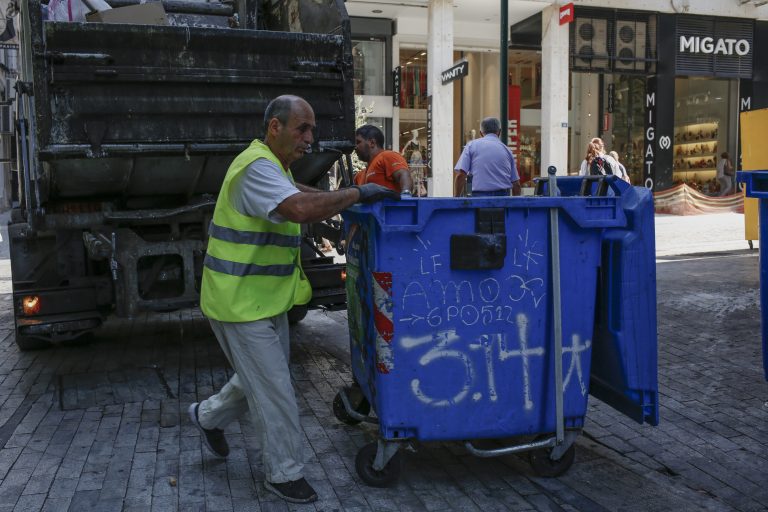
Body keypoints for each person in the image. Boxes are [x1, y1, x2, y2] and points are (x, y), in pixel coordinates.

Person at [189, 95, 398, 504]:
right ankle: (284, 473)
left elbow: (297, 190)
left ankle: (207, 415)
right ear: (275, 127)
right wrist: (356, 196)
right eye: (302, 128)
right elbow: (300, 206)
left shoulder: (272, 166)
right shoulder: (255, 167)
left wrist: (349, 193)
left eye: (312, 129)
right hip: (238, 302)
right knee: (275, 389)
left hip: (262, 300)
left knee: (261, 379)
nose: (310, 138)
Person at [454, 117, 521, 197]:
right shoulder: (507, 150)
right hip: (503, 200)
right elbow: (516, 185)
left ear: (481, 133)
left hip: (478, 199)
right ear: (499, 132)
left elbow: (461, 175)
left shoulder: (471, 146)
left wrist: (456, 198)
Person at [354, 124, 414, 196]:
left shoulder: (388, 156)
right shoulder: (360, 175)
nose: (355, 147)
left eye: (358, 142)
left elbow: (403, 174)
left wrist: (406, 195)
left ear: (372, 143)